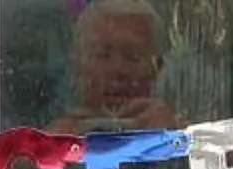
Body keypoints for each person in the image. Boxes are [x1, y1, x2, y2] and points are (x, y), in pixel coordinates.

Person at [53, 0, 177, 134]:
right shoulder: (54, 137)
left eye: (133, 57)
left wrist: (168, 138)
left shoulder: (180, 135)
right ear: (78, 61)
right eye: (102, 54)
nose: (117, 69)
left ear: (156, 67)